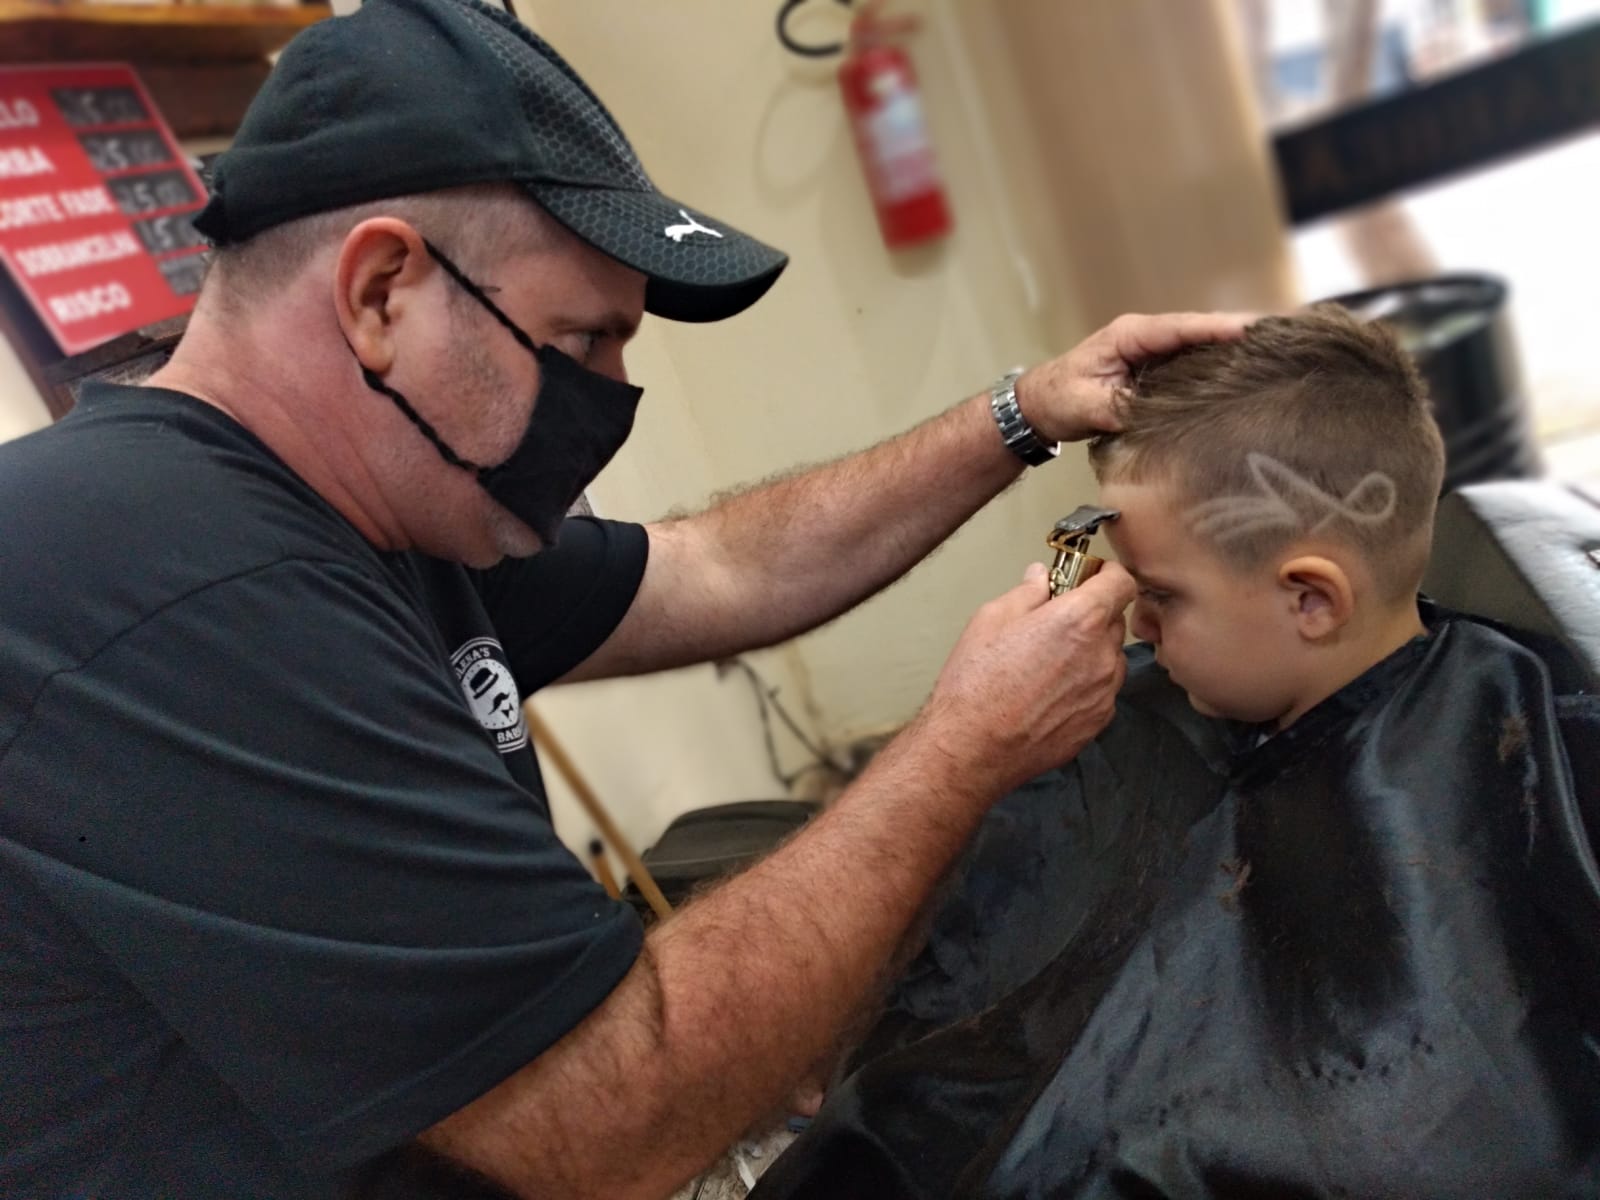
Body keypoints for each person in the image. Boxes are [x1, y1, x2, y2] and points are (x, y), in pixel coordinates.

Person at [0, 0, 1249, 1196]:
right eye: (583, 343)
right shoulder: (183, 591)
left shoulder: (382, 504)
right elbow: (601, 1125)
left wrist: (1019, 412)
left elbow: (723, 570)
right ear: (383, 293)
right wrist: (964, 750)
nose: (609, 404)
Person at [750, 306, 1600, 1199]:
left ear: (1311, 599)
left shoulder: (1512, 738)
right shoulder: (1155, 701)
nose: (1132, 625)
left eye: (1159, 595)